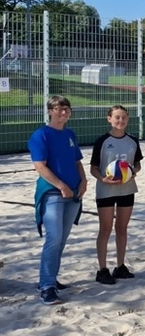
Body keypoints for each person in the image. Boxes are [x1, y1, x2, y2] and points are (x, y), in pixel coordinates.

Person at [29, 95, 87, 305]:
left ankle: (51, 277)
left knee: (61, 239)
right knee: (53, 239)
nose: (63, 112)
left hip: (73, 193)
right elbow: (40, 166)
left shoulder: (70, 134)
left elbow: (77, 161)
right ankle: (46, 286)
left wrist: (83, 181)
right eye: (58, 109)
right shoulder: (41, 135)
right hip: (53, 194)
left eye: (66, 109)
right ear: (50, 111)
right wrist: (60, 186)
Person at [90, 105, 142, 285]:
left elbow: (137, 165)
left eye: (124, 118)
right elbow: (93, 168)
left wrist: (132, 173)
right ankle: (102, 269)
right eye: (117, 117)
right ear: (109, 119)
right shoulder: (102, 141)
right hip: (106, 190)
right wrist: (103, 179)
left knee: (122, 228)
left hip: (127, 189)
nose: (121, 121)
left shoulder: (132, 141)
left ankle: (120, 266)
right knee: (105, 229)